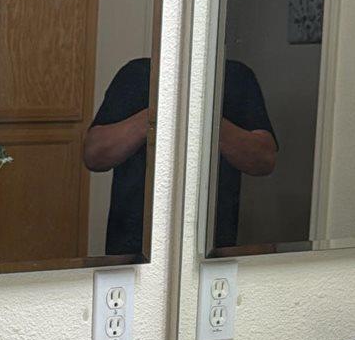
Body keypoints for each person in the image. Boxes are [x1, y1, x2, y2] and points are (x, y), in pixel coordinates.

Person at [84, 55, 277, 255]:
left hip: (211, 239)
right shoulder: (136, 74)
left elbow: (265, 160)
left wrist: (203, 116)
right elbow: (94, 155)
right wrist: (157, 114)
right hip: (131, 241)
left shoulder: (236, 77)